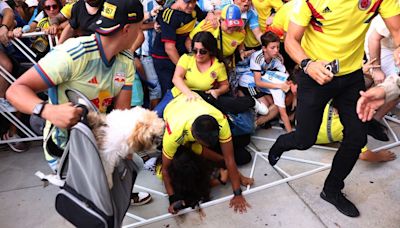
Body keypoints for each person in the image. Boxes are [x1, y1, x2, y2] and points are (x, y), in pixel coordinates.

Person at [6, 0, 152, 205]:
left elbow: (120, 117)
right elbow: (15, 91)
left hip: (98, 144)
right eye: (140, 26)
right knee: (95, 208)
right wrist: (47, 110)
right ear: (128, 28)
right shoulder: (73, 53)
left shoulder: (126, 60)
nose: (141, 32)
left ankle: (119, 195)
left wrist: (126, 152)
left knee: (131, 167)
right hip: (65, 152)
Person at [268, 0, 400, 218]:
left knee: (357, 139)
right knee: (304, 140)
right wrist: (308, 64)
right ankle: (282, 143)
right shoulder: (309, 2)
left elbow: (396, 30)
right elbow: (291, 40)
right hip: (314, 74)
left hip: (351, 77)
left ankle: (332, 190)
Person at [161, 94, 253, 214]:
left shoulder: (220, 120)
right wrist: (173, 199)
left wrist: (237, 193)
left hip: (194, 99)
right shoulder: (174, 135)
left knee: (244, 146)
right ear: (195, 138)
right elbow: (165, 170)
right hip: (174, 106)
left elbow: (229, 159)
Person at [317, 101, 396, 162]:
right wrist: (380, 156)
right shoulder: (354, 131)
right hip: (313, 136)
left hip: (307, 128)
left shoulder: (340, 106)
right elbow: (364, 156)